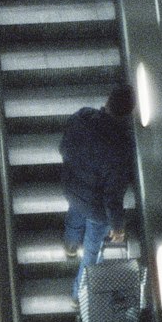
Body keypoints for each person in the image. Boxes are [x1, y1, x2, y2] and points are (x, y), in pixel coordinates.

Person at [59, 82, 135, 308]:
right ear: (129, 114)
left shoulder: (82, 117)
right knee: (91, 253)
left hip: (72, 189)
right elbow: (113, 198)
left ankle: (70, 246)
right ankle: (77, 296)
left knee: (74, 214)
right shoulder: (121, 148)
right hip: (97, 209)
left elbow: (64, 148)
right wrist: (118, 227)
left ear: (107, 101)